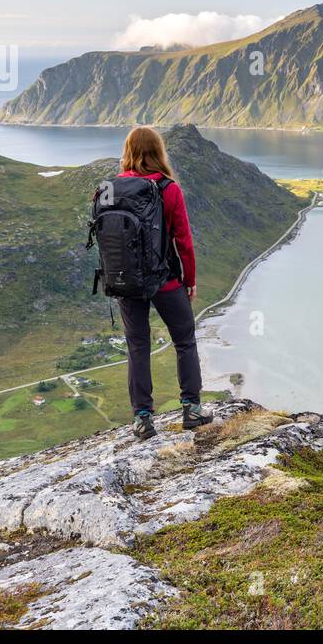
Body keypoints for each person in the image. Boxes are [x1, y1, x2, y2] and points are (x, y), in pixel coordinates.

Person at [113, 126, 209, 440]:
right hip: (165, 280)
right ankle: (192, 411)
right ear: (159, 151)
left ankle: (142, 419)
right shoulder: (168, 189)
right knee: (184, 341)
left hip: (126, 282)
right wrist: (190, 280)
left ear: (127, 151)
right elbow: (184, 241)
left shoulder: (110, 189)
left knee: (138, 346)